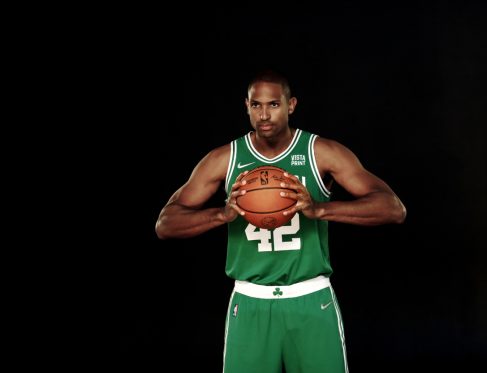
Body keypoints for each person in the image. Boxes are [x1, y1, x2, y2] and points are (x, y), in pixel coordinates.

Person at [155, 69, 406, 373]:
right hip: (250, 301)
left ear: (291, 105)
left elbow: (392, 208)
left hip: (311, 298)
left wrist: (320, 210)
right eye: (256, 105)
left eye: (273, 104)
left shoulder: (320, 153)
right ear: (246, 107)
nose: (264, 114)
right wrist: (221, 215)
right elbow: (165, 224)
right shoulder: (225, 159)